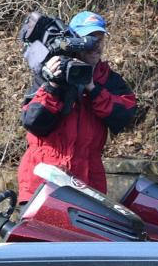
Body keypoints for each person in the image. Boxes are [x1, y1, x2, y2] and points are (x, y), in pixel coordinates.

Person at [17, 11, 137, 204]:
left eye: (99, 39)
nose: (95, 45)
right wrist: (53, 85)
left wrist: (93, 88)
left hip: (88, 182)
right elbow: (33, 122)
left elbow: (125, 116)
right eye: (88, 39)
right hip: (43, 181)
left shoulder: (109, 80)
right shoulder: (48, 72)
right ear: (73, 40)